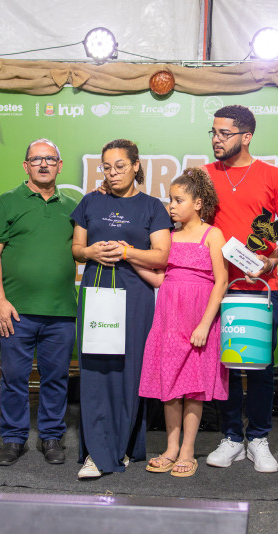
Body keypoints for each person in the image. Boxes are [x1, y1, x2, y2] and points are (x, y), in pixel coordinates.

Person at [203, 105, 278, 473]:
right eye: (213, 132)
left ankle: (258, 438)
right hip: (217, 287)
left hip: (260, 286)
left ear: (246, 136)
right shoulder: (203, 175)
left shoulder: (274, 176)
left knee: (259, 366)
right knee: (223, 365)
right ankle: (231, 437)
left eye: (224, 133)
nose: (216, 139)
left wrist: (272, 260)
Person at [71, 139, 171, 479]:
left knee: (130, 371)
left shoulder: (152, 207)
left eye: (120, 166)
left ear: (136, 166)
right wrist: (90, 252)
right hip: (96, 292)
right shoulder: (90, 201)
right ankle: (97, 453)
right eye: (107, 167)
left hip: (134, 297)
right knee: (96, 371)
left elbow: (161, 256)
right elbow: (76, 248)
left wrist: (128, 252)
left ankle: (123, 446)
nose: (112, 173)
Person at [0, 139, 77, 466]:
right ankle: (13, 439)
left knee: (57, 379)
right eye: (36, 159)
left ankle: (51, 436)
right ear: (25, 166)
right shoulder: (7, 202)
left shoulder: (74, 206)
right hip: (16, 311)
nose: (43, 164)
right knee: (14, 379)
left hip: (61, 312)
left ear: (59, 165)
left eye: (49, 159)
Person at [137, 168, 229, 477]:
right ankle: (170, 448)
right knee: (170, 385)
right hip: (169, 320)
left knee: (194, 388)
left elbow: (221, 282)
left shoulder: (212, 234)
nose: (171, 206)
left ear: (198, 203)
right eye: (170, 200)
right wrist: (129, 257)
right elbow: (159, 278)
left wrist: (204, 325)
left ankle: (188, 451)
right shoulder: (169, 236)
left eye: (179, 200)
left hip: (198, 320)